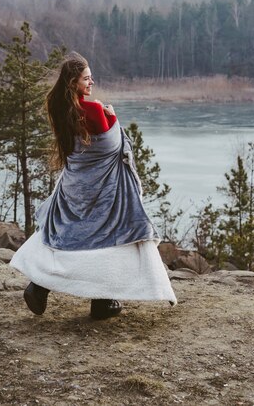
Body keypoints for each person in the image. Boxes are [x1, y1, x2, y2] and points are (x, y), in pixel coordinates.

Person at [10, 52, 177, 319]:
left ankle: (39, 287)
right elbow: (111, 145)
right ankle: (102, 302)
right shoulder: (94, 110)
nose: (92, 83)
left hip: (73, 185)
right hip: (102, 189)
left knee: (63, 236)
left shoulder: (60, 109)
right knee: (110, 239)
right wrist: (113, 116)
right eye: (86, 79)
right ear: (73, 83)